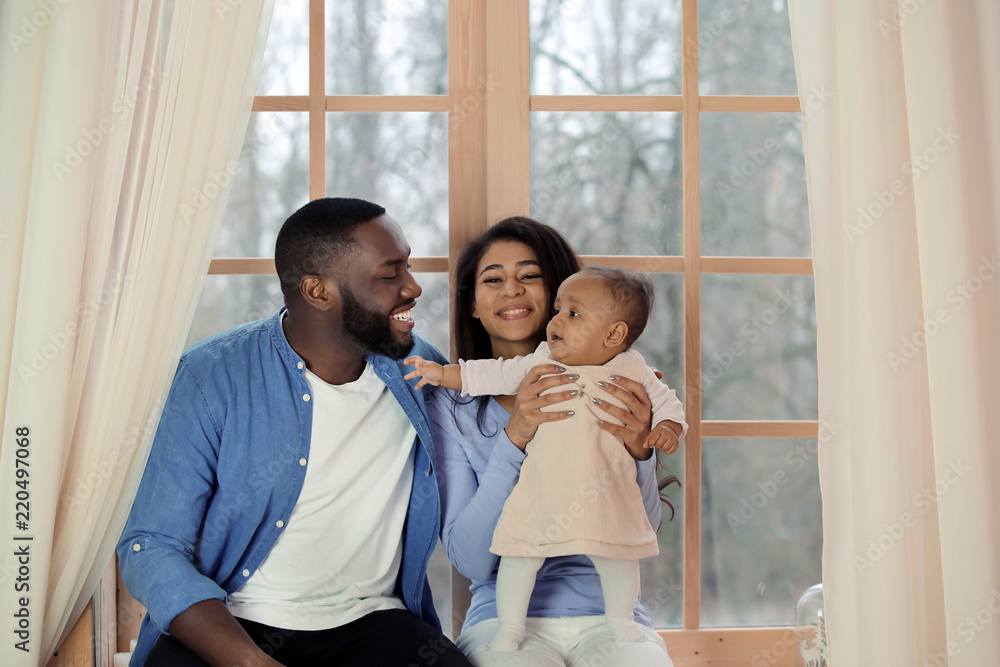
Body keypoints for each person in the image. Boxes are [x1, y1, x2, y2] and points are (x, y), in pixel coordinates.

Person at [117, 198, 473, 667]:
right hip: (234, 623)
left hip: (373, 623)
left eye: (407, 266)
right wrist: (249, 661)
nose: (413, 287)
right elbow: (150, 544)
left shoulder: (422, 373)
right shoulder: (211, 376)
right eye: (390, 274)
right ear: (318, 292)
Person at [425, 217, 681, 667]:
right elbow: (472, 562)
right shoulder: (452, 406)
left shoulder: (619, 381)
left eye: (530, 276)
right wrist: (516, 435)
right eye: (493, 280)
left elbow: (640, 526)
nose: (511, 290)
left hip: (612, 617)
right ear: (472, 305)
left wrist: (641, 448)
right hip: (506, 621)